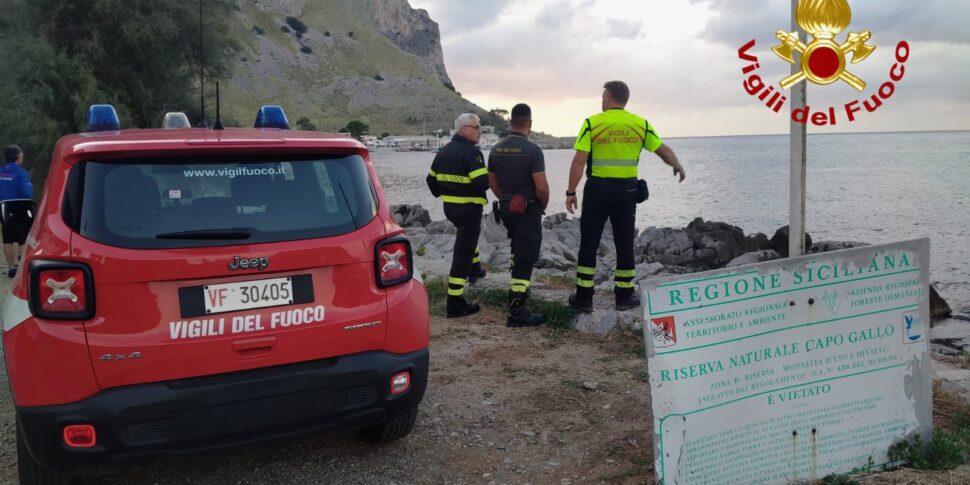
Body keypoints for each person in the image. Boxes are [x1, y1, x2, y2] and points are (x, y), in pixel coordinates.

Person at [565, 81, 686, 312]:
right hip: (627, 192)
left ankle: (584, 297)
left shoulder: (592, 123)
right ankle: (624, 296)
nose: (601, 100)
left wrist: (571, 191)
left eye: (603, 96)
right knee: (624, 242)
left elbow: (579, 160)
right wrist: (678, 165)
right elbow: (662, 150)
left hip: (597, 189)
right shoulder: (640, 124)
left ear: (609, 97)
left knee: (589, 242)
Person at [487, 104, 549, 328]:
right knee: (526, 258)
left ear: (510, 122)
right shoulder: (533, 151)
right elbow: (541, 187)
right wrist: (542, 206)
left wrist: (505, 199)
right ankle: (517, 310)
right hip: (528, 209)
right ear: (529, 124)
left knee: (516, 249)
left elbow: (492, 181)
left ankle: (519, 290)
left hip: (506, 209)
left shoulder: (495, 149)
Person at [426, 113, 489, 317]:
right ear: (463, 130)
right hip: (469, 209)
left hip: (450, 208)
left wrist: (444, 193)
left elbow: (430, 180)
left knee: (468, 240)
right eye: (476, 127)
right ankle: (455, 303)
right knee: (463, 253)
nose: (480, 131)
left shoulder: (443, 151)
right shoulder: (473, 153)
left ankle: (475, 269)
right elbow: (482, 184)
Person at [0, 145, 34, 277]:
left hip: (4, 208)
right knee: (23, 239)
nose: (23, 156)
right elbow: (26, 193)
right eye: (21, 154)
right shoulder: (21, 173)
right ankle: (21, 267)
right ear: (17, 156)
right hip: (20, 208)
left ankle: (11, 267)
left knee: (7, 239)